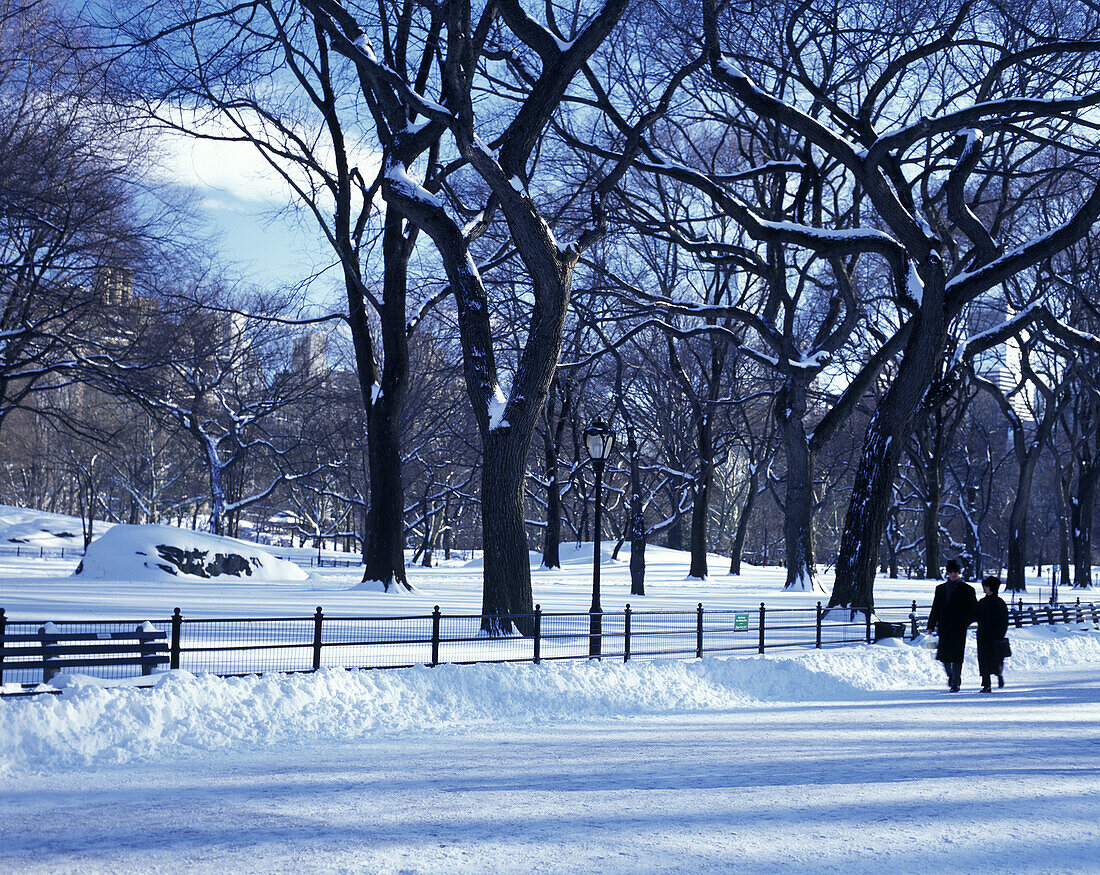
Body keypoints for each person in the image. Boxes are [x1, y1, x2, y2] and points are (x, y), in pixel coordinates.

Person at [926, 558, 978, 691]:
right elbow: (935, 607)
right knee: (943, 655)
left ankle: (956, 681)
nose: (954, 574)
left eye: (956, 572)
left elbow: (973, 609)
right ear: (947, 573)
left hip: (959, 628)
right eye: (951, 572)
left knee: (957, 655)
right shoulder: (940, 589)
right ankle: (951, 675)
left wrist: (965, 622)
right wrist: (931, 625)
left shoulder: (968, 589)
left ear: (959, 573)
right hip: (944, 627)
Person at [976, 575, 1009, 692]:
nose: (984, 588)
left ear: (992, 588)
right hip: (983, 635)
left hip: (995, 636)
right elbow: (976, 616)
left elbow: (1004, 621)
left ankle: (998, 674)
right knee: (983, 659)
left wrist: (1000, 633)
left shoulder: (999, 603)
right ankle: (986, 683)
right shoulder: (982, 602)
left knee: (995, 659)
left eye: (986, 586)